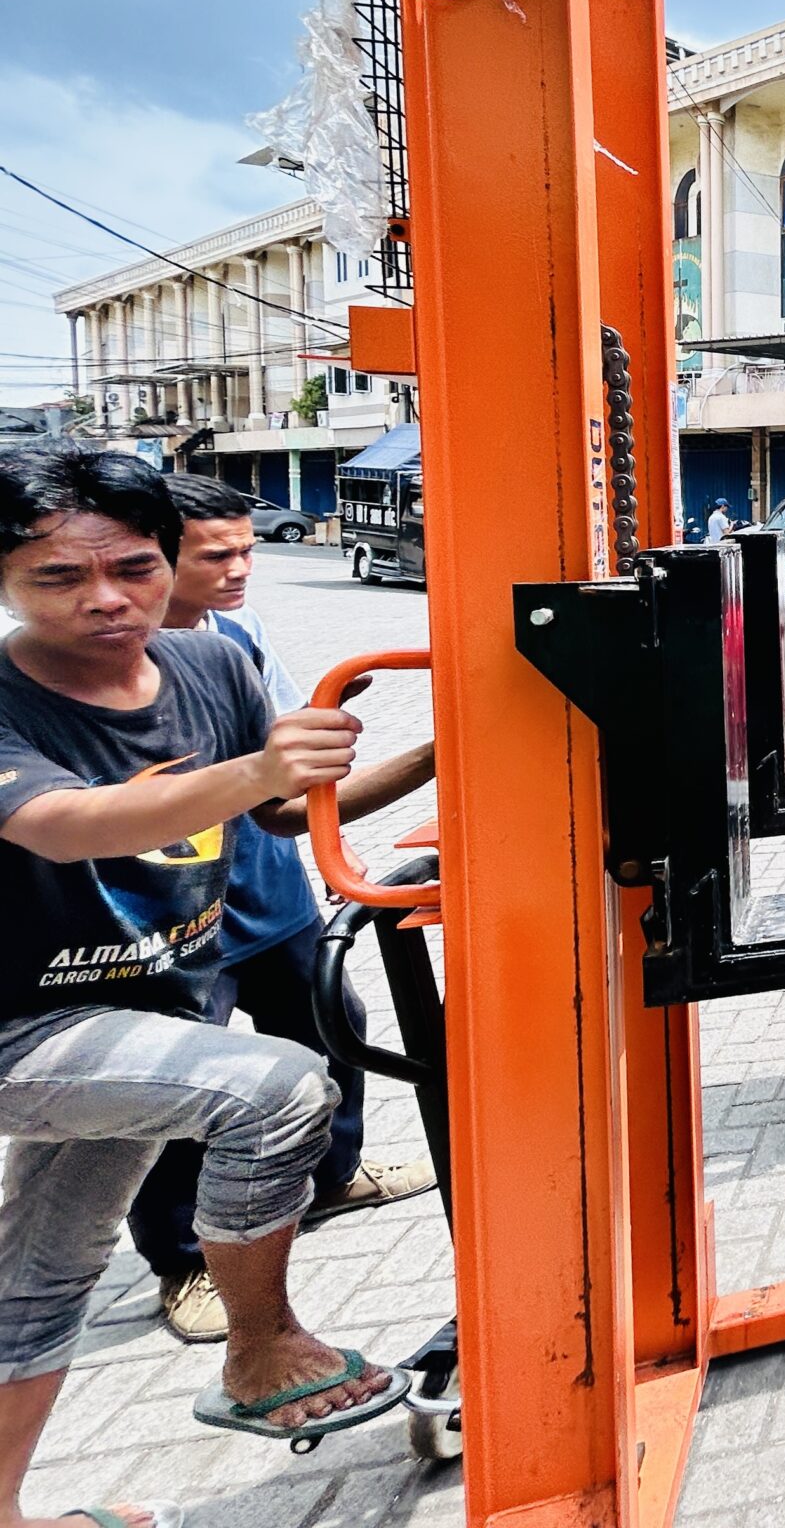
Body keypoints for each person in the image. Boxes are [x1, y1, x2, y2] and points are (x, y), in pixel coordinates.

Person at [0, 446, 418, 1488]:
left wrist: (443, 749)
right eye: (59, 577)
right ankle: (260, 1348)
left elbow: (274, 812)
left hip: (151, 1013)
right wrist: (259, 767)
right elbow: (65, 825)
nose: (106, 600)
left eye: (134, 568)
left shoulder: (210, 662)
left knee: (42, 1281)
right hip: (25, 1031)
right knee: (274, 1088)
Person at [127, 476, 438, 1342]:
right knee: (184, 1083)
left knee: (331, 1019)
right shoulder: (97, 670)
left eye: (247, 550)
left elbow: (285, 788)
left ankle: (331, 1174)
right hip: (166, 916)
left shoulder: (235, 639)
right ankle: (185, 1259)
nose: (239, 570)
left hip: (266, 887)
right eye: (214, 555)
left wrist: (416, 761)